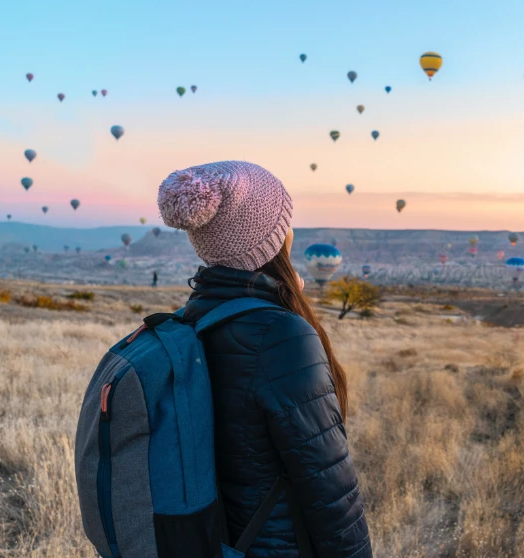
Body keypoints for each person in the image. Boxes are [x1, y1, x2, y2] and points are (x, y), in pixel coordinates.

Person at [157, 161, 372, 557]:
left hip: (220, 542)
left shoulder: (194, 318)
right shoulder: (280, 334)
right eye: (286, 221)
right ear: (272, 238)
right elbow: (330, 488)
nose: (291, 232)